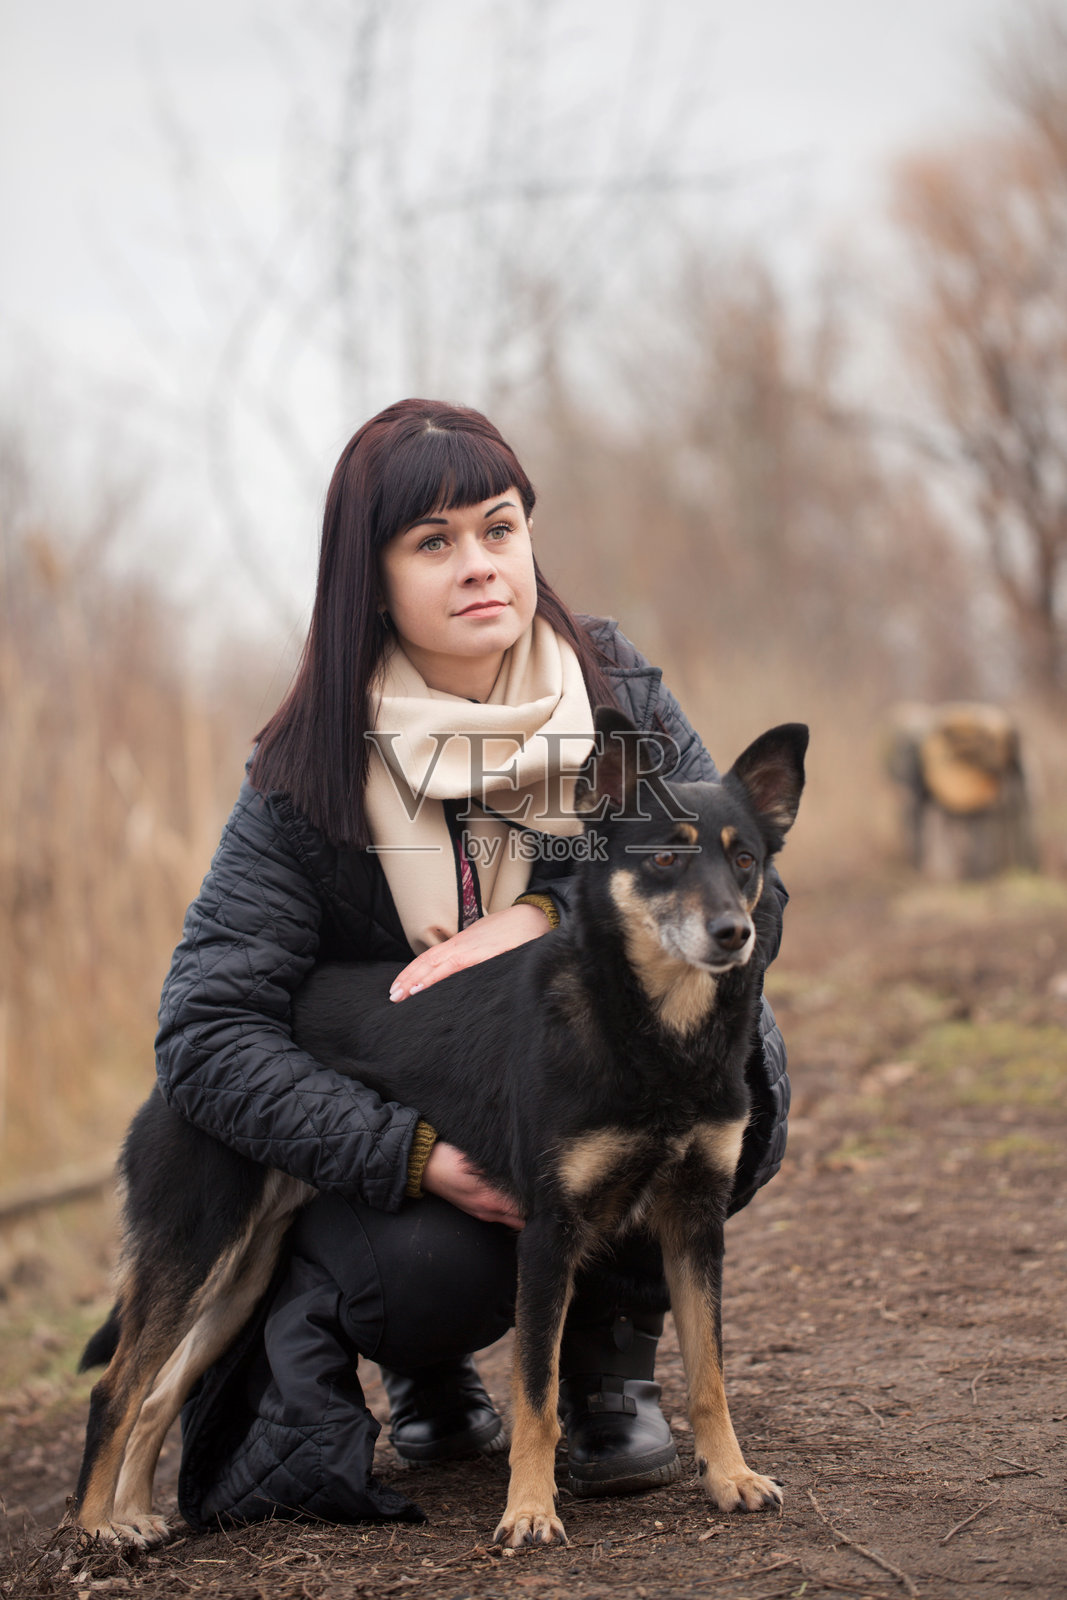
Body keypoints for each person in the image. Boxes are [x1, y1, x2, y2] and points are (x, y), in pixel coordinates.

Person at [155, 398, 791, 1531]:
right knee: (435, 1268)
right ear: (370, 577)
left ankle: (610, 1356)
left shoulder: (613, 690)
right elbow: (207, 1029)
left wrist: (546, 912)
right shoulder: (306, 764)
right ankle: (423, 1366)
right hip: (420, 1109)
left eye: (498, 528)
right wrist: (406, 1156)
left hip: (576, 1065)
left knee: (716, 1071)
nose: (479, 565)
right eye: (432, 542)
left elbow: (751, 889)